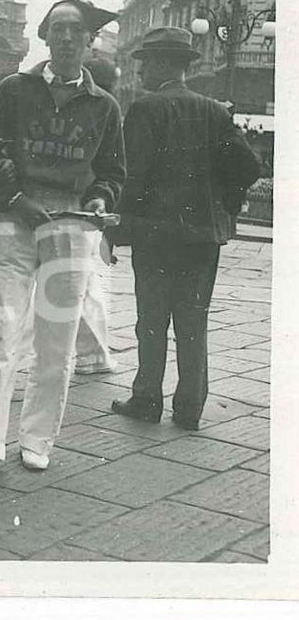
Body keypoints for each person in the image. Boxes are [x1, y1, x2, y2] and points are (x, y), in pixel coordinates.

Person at [0, 0, 126, 482]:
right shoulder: (15, 90)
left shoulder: (104, 105)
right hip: (15, 218)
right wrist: (14, 198)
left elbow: (113, 172)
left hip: (71, 226)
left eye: (76, 30)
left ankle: (36, 439)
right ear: (45, 37)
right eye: (59, 29)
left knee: (56, 340)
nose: (68, 38)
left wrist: (100, 197)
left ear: (89, 40)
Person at [110, 27, 261, 430]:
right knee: (193, 324)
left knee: (152, 321)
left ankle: (146, 399)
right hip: (201, 239)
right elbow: (248, 167)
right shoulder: (214, 110)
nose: (140, 72)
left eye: (144, 64)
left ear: (161, 64)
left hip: (156, 237)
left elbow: (132, 176)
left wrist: (116, 231)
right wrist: (223, 204)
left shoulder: (145, 108)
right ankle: (189, 409)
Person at [16, 56, 120, 376]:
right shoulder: (99, 109)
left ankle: (89, 354)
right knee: (82, 290)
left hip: (79, 207)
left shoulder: (101, 109)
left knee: (75, 291)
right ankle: (94, 355)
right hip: (83, 209)